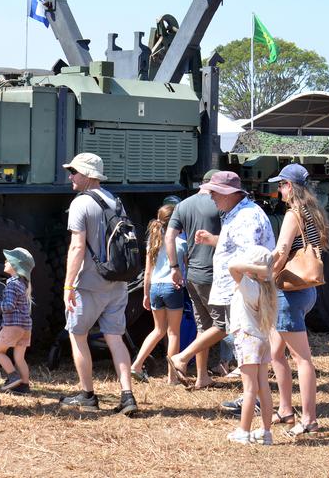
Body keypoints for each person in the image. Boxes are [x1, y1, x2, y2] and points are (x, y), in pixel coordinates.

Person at [169, 171, 276, 389]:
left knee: (243, 339)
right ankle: (251, 395)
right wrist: (212, 240)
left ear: (228, 193)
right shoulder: (235, 213)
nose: (211, 198)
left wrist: (240, 279)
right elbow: (235, 246)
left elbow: (250, 257)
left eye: (215, 193)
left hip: (244, 290)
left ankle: (252, 397)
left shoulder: (245, 217)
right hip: (237, 288)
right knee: (237, 336)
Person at [59, 153, 138, 416]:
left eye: (75, 172)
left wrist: (68, 286)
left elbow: (77, 246)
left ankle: (87, 394)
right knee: (115, 337)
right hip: (117, 281)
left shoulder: (81, 203)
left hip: (89, 283)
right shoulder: (115, 201)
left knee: (77, 334)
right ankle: (128, 396)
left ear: (88, 176)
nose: (71, 176)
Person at [267, 163, 329, 435]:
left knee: (302, 358)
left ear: (290, 186)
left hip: (289, 292)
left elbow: (282, 249)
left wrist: (264, 275)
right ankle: (286, 409)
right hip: (305, 290)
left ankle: (308, 418)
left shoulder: (292, 214)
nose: (279, 189)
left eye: (282, 184)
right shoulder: (312, 211)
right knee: (276, 352)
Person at [164, 169, 223, 389]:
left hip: (193, 274)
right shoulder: (219, 204)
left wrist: (174, 267)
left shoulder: (183, 205)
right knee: (224, 323)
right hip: (215, 273)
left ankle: (202, 378)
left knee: (203, 325)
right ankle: (183, 358)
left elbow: (169, 237)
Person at [226, 246, 277, 445]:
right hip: (262, 340)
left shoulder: (249, 285)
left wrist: (257, 268)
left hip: (247, 339)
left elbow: (232, 266)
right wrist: (265, 271)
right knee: (263, 387)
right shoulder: (268, 288)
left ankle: (244, 431)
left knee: (249, 388)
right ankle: (266, 432)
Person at [130, 204, 187, 384]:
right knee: (173, 333)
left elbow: (147, 272)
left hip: (155, 288)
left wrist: (146, 294)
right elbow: (186, 267)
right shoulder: (181, 242)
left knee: (158, 330)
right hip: (172, 288)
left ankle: (137, 365)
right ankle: (172, 377)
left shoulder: (152, 242)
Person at [0, 247, 35, 395]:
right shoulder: (23, 284)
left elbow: (9, 306)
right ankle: (24, 385)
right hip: (25, 327)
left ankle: (12, 376)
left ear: (16, 265)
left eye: (8, 260)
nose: (4, 261)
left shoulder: (11, 284)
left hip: (12, 326)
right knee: (19, 357)